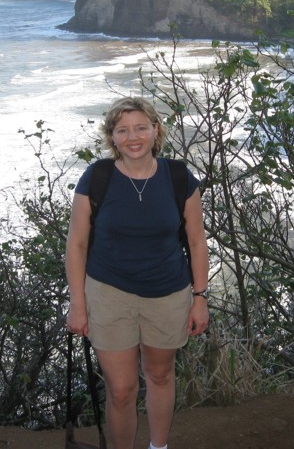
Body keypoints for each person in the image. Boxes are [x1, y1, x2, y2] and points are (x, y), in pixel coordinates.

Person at [65, 96, 210, 449]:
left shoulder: (178, 177)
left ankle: (158, 447)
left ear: (156, 131)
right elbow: (76, 244)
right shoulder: (97, 177)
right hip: (109, 293)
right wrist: (78, 304)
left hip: (168, 293)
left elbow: (196, 241)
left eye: (141, 128)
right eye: (123, 130)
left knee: (160, 375)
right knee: (121, 389)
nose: (133, 137)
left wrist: (200, 297)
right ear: (112, 137)